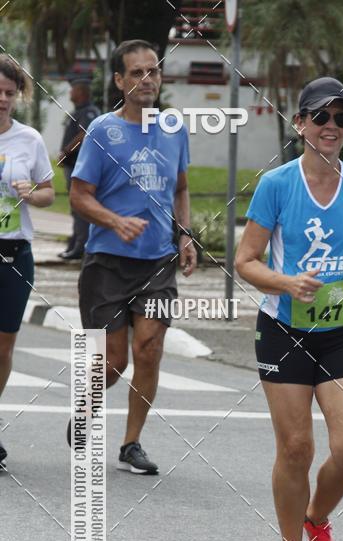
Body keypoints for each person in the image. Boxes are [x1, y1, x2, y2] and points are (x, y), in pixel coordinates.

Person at [235, 76, 343, 541]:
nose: (332, 127)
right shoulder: (277, 185)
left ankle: (317, 517)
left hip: (342, 327)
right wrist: (285, 282)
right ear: (300, 123)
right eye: (321, 117)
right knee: (296, 447)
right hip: (283, 327)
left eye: (342, 118)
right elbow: (245, 261)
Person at [69, 39, 196, 474]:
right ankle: (85, 409)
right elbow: (79, 195)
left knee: (149, 349)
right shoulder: (104, 131)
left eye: (154, 71)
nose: (147, 79)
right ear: (120, 81)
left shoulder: (175, 128)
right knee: (115, 360)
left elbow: (180, 188)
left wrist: (185, 235)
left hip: (157, 261)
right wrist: (113, 221)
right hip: (107, 262)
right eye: (137, 73)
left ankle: (131, 443)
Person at [0, 55, 55, 467]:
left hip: (15, 252)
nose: (2, 100)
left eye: (9, 93)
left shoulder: (29, 139)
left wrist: (28, 192)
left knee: (4, 347)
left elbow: (48, 194)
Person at [58, 77, 100, 260]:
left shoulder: (88, 112)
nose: (70, 93)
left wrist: (66, 152)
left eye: (73, 89)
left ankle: (80, 247)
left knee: (80, 207)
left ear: (81, 92)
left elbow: (84, 134)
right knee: (75, 208)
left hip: (79, 167)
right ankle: (75, 243)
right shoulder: (78, 111)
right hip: (72, 167)